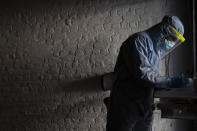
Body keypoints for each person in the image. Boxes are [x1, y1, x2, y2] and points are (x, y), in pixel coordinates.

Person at [106, 16, 193, 131]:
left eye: (174, 41)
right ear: (164, 30)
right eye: (172, 38)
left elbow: (153, 79)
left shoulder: (157, 51)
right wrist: (172, 82)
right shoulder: (138, 41)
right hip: (125, 104)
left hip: (145, 105)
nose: (172, 43)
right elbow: (144, 75)